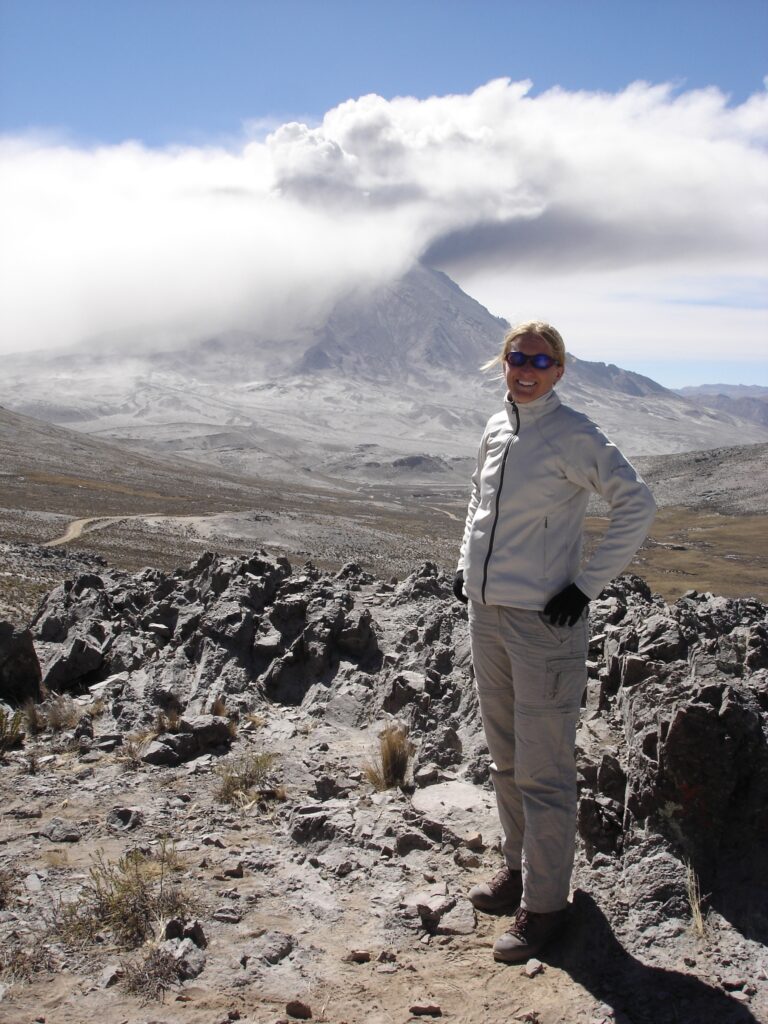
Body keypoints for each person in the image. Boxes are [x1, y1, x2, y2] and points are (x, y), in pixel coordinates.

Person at [453, 320, 655, 963]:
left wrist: (585, 585)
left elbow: (637, 503)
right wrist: (466, 567)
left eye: (541, 361)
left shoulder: (574, 434)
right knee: (505, 757)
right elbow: (479, 500)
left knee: (544, 771)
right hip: (487, 614)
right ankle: (518, 870)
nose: (527, 370)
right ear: (503, 362)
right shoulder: (497, 427)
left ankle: (546, 908)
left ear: (560, 370)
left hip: (544, 625)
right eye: (517, 358)